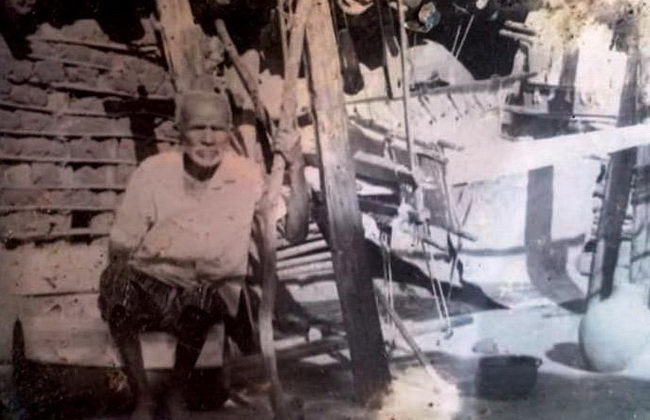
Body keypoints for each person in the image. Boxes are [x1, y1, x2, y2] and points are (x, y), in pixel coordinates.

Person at [98, 90, 310, 419]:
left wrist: (296, 166)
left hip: (209, 294)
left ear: (229, 132)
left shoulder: (247, 175)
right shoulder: (153, 172)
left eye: (217, 129)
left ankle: (175, 394)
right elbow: (121, 246)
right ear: (179, 130)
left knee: (202, 295)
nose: (208, 139)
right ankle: (144, 396)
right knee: (116, 279)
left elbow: (295, 231)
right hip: (156, 287)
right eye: (198, 128)